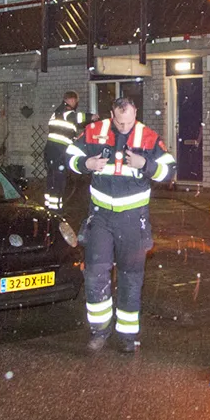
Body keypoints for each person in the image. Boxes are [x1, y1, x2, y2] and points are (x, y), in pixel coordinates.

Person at [66, 97, 175, 352]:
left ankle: (127, 336)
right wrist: (86, 164)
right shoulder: (95, 132)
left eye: (128, 122)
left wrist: (145, 165)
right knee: (95, 274)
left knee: (130, 277)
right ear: (112, 115)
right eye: (119, 121)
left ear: (135, 113)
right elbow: (70, 157)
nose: (124, 126)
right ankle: (99, 331)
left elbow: (169, 172)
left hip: (132, 219)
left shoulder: (148, 136)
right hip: (101, 217)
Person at [44, 91, 88, 211]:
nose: (76, 103)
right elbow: (78, 118)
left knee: (51, 180)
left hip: (51, 151)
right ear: (72, 100)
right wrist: (92, 117)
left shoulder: (57, 112)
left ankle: (48, 206)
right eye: (75, 101)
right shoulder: (67, 112)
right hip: (58, 152)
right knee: (58, 181)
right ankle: (55, 210)